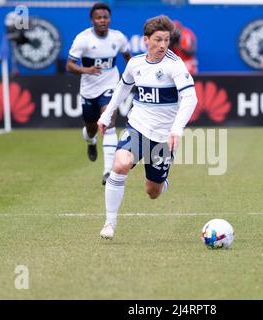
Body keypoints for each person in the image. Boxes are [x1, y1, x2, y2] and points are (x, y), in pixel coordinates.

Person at [97, 15, 198, 239]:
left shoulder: (175, 65)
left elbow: (190, 99)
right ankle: (110, 223)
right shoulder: (136, 63)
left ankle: (162, 182)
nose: (163, 45)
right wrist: (107, 116)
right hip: (138, 127)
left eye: (166, 40)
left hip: (163, 137)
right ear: (146, 40)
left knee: (153, 192)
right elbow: (122, 89)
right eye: (158, 40)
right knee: (121, 164)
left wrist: (176, 129)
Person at [66, 2, 131, 185]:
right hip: (89, 90)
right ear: (92, 20)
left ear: (109, 19)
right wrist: (85, 70)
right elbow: (69, 65)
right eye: (99, 17)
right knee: (91, 129)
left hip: (110, 85)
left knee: (109, 124)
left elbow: (128, 57)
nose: (103, 21)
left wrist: (136, 74)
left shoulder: (118, 38)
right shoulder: (83, 39)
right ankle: (90, 141)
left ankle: (108, 172)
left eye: (105, 17)